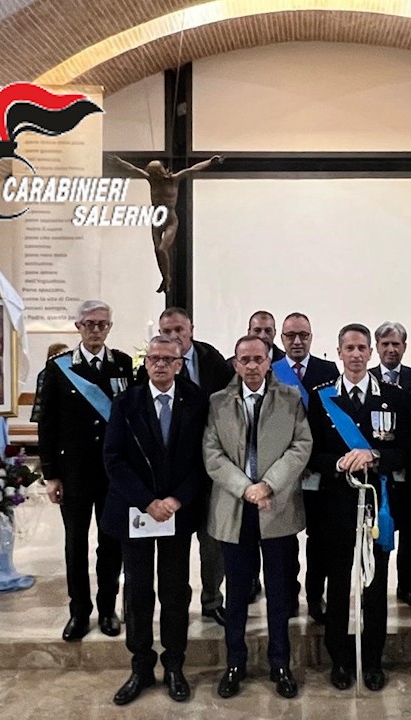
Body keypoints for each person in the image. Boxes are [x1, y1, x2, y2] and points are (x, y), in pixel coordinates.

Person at [203, 334, 311, 700]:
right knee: (236, 594)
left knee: (279, 592)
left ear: (269, 362)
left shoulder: (290, 399)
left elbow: (302, 446)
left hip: (275, 507)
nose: (251, 366)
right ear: (235, 364)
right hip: (235, 509)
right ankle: (236, 662)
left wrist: (268, 484)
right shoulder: (218, 402)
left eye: (258, 359)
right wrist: (244, 487)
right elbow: (212, 452)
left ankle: (281, 662)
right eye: (244, 360)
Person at [102, 336, 208, 706]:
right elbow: (113, 458)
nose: (160, 364)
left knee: (175, 589)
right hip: (138, 513)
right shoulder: (126, 402)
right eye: (153, 359)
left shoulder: (196, 401)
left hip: (178, 511)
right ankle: (141, 665)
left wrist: (176, 499)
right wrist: (147, 501)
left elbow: (202, 459)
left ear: (180, 364)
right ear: (145, 364)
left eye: (168, 359)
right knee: (138, 590)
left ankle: (175, 664)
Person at [306, 323, 411, 692]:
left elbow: (406, 452)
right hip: (335, 507)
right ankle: (340, 658)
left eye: (361, 348)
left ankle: (373, 658)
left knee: (376, 585)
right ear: (338, 353)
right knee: (338, 586)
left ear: (371, 353)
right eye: (348, 348)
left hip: (377, 509)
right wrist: (337, 463)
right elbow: (310, 453)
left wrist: (375, 454)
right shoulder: (322, 398)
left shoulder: (394, 398)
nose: (355, 354)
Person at [38, 300, 131, 641]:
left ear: (109, 327)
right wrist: (50, 475)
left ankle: (108, 608)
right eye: (89, 324)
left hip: (111, 473)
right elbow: (46, 425)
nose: (96, 330)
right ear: (77, 326)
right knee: (75, 545)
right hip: (73, 473)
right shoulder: (59, 368)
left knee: (111, 543)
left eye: (102, 324)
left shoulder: (122, 365)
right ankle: (79, 611)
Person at [136, 307, 232, 625]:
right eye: (167, 331)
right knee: (168, 547)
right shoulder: (151, 367)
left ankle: (212, 600)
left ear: (191, 329)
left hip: (208, 467)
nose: (173, 336)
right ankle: (152, 604)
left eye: (179, 329)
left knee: (211, 539)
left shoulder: (211, 359)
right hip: (169, 474)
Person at [273, 311, 338, 623]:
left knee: (319, 537)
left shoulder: (328, 370)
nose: (297, 341)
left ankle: (315, 596)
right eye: (290, 336)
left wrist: (315, 462)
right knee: (284, 539)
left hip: (318, 469)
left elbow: (333, 423)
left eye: (303, 335)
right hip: (282, 469)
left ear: (311, 337)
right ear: (281, 339)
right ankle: (287, 595)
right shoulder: (272, 371)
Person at [370, 320, 411, 612]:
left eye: (396, 344)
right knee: (378, 529)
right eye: (385, 344)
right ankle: (375, 586)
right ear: (376, 347)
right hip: (376, 471)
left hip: (409, 468)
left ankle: (407, 586)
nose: (391, 349)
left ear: (405, 346)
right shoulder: (366, 379)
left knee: (409, 531)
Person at [112, 155, 220, 293]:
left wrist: (210, 162)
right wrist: (120, 162)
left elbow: (193, 169)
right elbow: (133, 169)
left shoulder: (174, 179)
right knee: (157, 250)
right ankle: (165, 278)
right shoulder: (152, 180)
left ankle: (167, 278)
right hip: (157, 219)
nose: (156, 175)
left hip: (170, 219)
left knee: (163, 249)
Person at [224, 311, 286, 385]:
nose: (262, 336)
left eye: (268, 331)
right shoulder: (230, 367)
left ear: (274, 333)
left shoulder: (287, 363)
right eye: (257, 330)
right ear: (249, 332)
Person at [29, 342, 69, 424]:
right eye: (62, 354)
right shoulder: (46, 374)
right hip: (51, 415)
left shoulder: (70, 373)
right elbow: (45, 398)